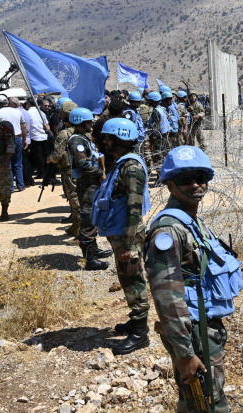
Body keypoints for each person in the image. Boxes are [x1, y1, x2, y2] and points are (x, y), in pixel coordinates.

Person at [144, 146, 243, 412]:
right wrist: (185, 354)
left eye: (201, 177)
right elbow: (167, 297)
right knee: (206, 403)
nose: (196, 185)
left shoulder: (190, 221)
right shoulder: (168, 231)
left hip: (204, 328)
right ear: (169, 184)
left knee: (204, 400)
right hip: (194, 333)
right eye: (185, 179)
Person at [91, 118, 151, 355]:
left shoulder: (131, 168)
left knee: (133, 279)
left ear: (118, 139)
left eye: (108, 137)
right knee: (127, 278)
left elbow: (134, 208)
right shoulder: (122, 163)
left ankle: (140, 334)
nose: (104, 141)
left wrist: (129, 245)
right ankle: (135, 322)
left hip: (129, 235)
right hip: (122, 233)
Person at [67, 107, 112, 270]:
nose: (90, 124)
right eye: (88, 122)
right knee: (88, 219)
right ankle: (90, 259)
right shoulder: (76, 141)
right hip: (87, 184)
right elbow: (83, 163)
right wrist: (100, 172)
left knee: (93, 217)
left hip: (93, 184)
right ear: (80, 122)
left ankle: (94, 250)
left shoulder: (83, 138)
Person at [47, 100, 81, 235]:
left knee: (74, 199)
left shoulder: (64, 133)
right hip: (83, 169)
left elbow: (57, 155)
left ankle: (79, 230)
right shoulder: (84, 129)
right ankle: (75, 224)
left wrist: (49, 159)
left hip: (69, 170)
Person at [0, 96, 27, 191]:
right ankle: (20, 185)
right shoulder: (18, 111)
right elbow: (24, 127)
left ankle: (10, 187)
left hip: (5, 139)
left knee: (7, 163)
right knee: (18, 163)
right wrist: (24, 139)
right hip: (17, 138)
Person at [27, 98, 51, 181]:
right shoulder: (41, 113)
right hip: (44, 136)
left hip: (35, 137)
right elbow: (47, 125)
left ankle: (41, 173)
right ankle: (46, 172)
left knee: (38, 157)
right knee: (45, 156)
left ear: (28, 104)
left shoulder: (28, 113)